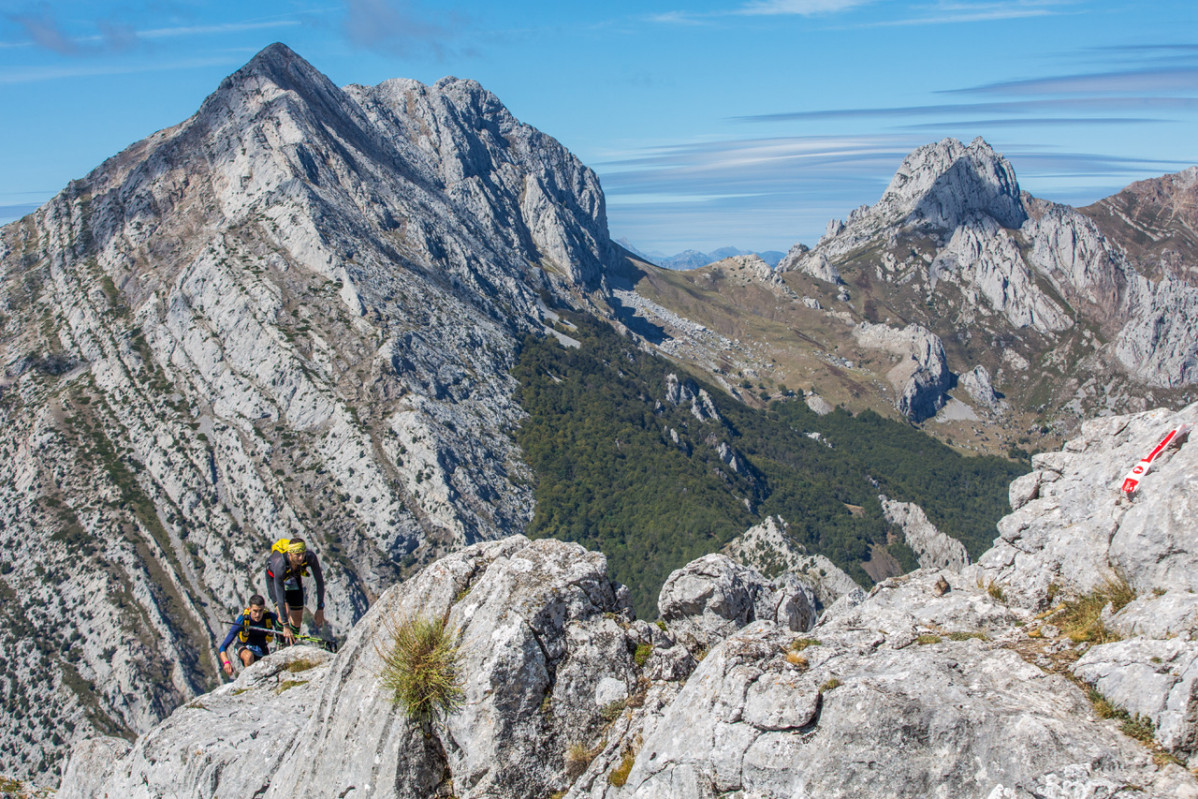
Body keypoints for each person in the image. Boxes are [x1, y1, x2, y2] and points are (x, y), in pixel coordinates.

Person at [265, 537, 326, 645]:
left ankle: (291, 646)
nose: (301, 557)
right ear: (290, 554)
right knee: (285, 611)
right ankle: (281, 643)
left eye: (302, 553)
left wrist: (320, 608)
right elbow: (280, 598)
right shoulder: (281, 566)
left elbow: (320, 582)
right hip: (274, 578)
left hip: (293, 576)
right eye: (297, 554)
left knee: (297, 619)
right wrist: (285, 625)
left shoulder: (310, 557)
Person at [218, 595, 279, 676]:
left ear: (264, 608)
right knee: (248, 656)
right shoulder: (242, 620)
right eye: (255, 611)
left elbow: (282, 627)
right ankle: (248, 680)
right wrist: (226, 662)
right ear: (249, 608)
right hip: (243, 646)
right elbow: (223, 647)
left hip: (261, 649)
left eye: (260, 611)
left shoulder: (269, 617)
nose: (258, 614)